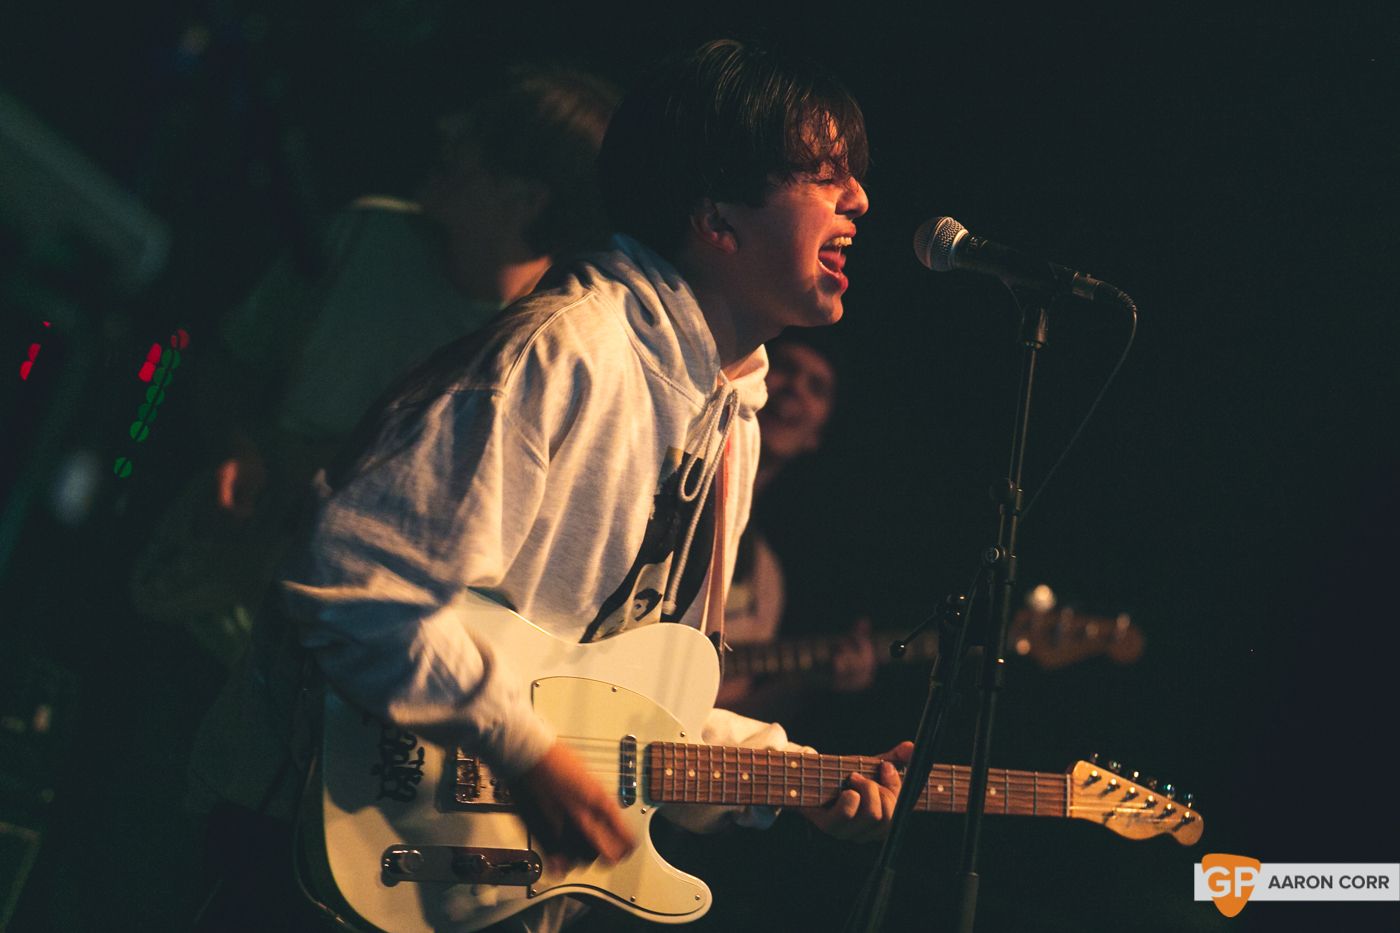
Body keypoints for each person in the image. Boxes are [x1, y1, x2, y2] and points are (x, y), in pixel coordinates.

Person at [189, 38, 911, 932]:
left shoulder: (733, 423)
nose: (860, 201)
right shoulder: (567, 351)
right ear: (717, 213)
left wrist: (797, 776)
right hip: (319, 859)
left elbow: (620, 701)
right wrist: (525, 752)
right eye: (825, 174)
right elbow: (350, 579)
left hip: (474, 896)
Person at [129, 65, 620, 666]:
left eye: (483, 132)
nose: (449, 128)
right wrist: (236, 446)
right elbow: (231, 362)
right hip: (197, 601)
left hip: (327, 670)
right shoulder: (366, 233)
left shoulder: (549, 355)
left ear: (525, 199)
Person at [717, 327, 878, 722]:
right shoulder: (676, 495)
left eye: (817, 387)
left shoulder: (766, 579)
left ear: (815, 437)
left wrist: (807, 684)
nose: (795, 389)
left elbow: (718, 718)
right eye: (785, 368)